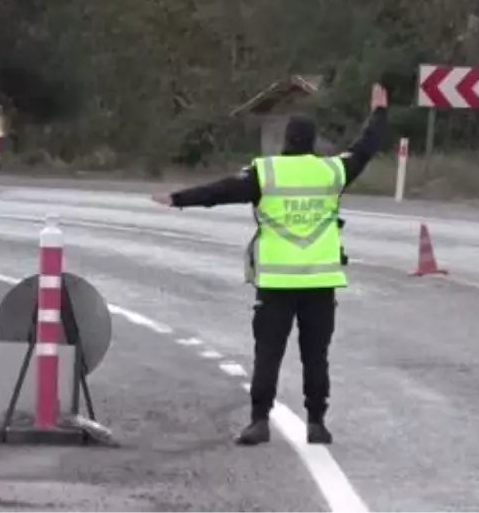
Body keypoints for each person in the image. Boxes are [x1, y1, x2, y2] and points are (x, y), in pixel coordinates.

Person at [149, 83, 388, 446]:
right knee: (316, 356)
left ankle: (259, 422)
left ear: (285, 141)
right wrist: (379, 113)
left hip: (276, 283)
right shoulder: (332, 172)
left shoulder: (266, 173)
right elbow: (365, 148)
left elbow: (220, 192)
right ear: (313, 143)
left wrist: (177, 199)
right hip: (320, 283)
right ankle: (317, 423)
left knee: (268, 354)